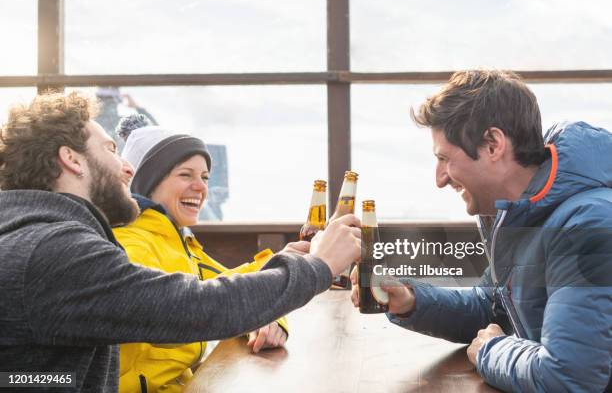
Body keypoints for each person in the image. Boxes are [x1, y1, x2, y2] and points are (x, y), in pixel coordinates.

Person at [0, 91, 361, 392]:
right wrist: (317, 266)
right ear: (71, 160)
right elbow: (196, 306)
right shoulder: (55, 253)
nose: (126, 168)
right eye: (111, 150)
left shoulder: (31, 239)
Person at [351, 70, 612, 392]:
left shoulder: (589, 226)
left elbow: (570, 378)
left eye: (445, 159)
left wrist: (490, 350)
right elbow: (493, 307)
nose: (440, 179)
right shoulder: (520, 214)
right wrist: (410, 300)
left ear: (493, 144)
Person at [112, 115, 288, 392]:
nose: (201, 187)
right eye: (186, 175)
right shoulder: (132, 247)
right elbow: (201, 308)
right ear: (147, 183)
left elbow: (231, 284)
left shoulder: (175, 240)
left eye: (204, 177)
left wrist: (273, 311)